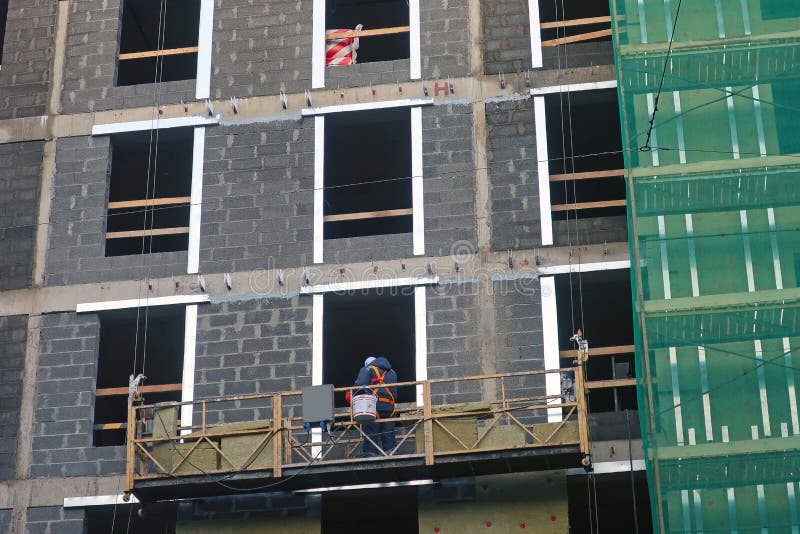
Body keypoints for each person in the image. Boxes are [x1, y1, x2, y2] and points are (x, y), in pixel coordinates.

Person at [349, 356, 398, 457]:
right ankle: (391, 451)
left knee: (371, 427)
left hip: (373, 404)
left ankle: (370, 452)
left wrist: (353, 395)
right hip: (390, 406)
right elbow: (395, 392)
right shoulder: (392, 372)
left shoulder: (368, 369)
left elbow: (359, 384)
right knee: (388, 428)